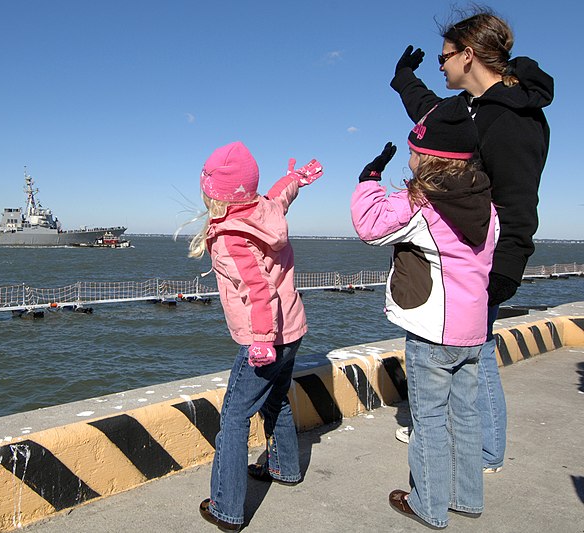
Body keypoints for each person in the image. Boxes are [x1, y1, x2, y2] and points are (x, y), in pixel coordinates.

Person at [390, 8, 553, 473]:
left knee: (475, 358)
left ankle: (485, 453)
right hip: (457, 252)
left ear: (468, 55)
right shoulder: (470, 109)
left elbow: (519, 202)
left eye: (444, 58)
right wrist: (404, 79)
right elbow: (431, 116)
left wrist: (504, 272)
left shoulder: (515, 119)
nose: (439, 66)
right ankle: (460, 438)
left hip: (483, 259)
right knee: (461, 352)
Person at [351, 96, 499, 529]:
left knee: (429, 420)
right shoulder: (487, 206)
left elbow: (371, 226)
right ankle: (466, 498)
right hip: (473, 332)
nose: (411, 157)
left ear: (430, 157)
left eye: (415, 151)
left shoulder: (424, 203)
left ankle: (428, 505)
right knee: (466, 416)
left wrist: (370, 179)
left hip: (433, 332)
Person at [189, 141, 323, 531]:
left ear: (214, 194)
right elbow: (282, 193)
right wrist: (298, 178)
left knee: (233, 416)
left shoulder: (232, 237)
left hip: (264, 339)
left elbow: (258, 290)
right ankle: (285, 469)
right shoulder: (265, 209)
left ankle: (226, 508)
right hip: (292, 330)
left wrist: (262, 339)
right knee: (276, 400)